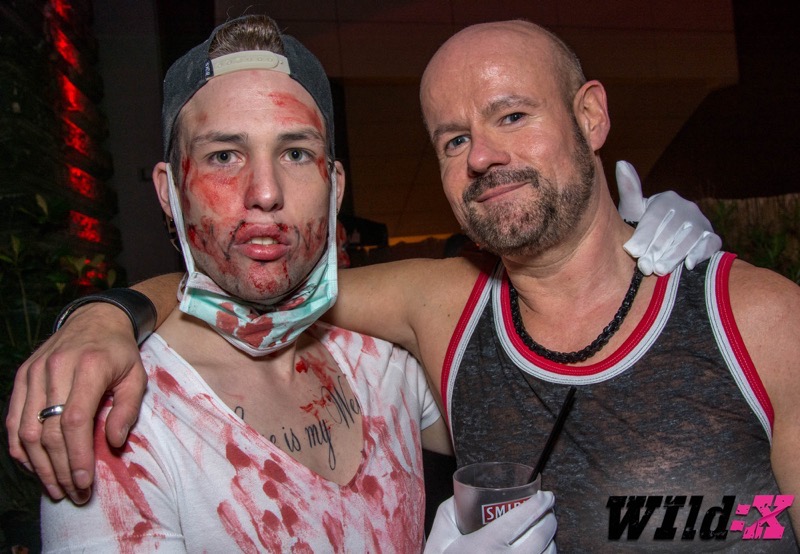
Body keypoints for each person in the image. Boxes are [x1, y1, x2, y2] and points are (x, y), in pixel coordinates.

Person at [11, 17, 779, 551]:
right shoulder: (110, 419)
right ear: (168, 191)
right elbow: (222, 297)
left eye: (513, 115)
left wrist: (731, 521)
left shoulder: (761, 321)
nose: (484, 156)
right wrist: (104, 315)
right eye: (454, 138)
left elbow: (688, 509)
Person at [28, 15, 560, 553]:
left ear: (335, 187)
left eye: (296, 153)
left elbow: (541, 429)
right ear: (169, 192)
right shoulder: (119, 419)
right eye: (223, 155)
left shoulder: (384, 360)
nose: (265, 192)